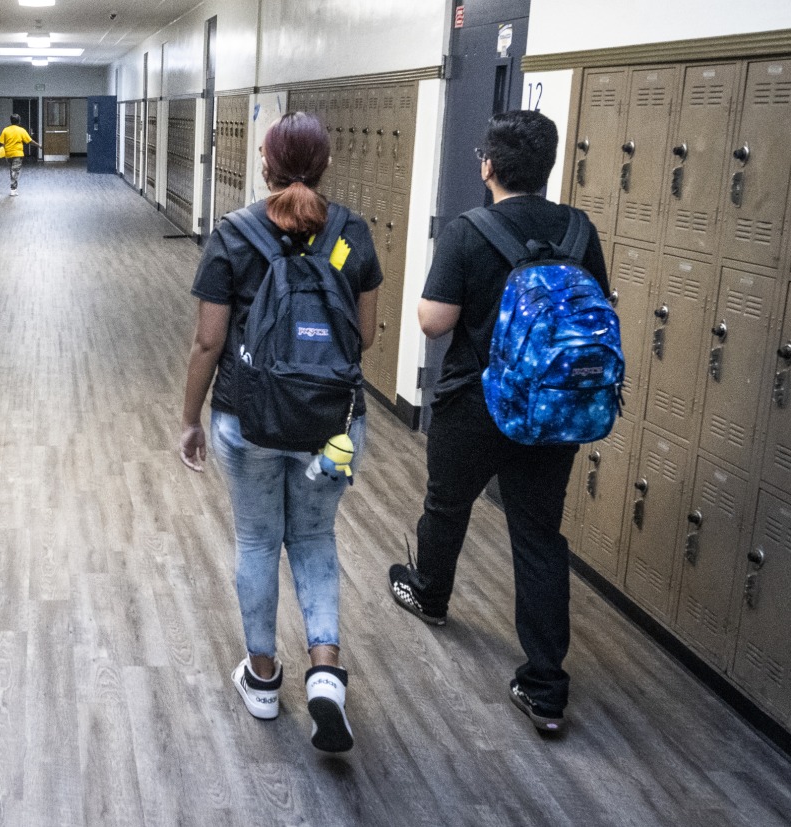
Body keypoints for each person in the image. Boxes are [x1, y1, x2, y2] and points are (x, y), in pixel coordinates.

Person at [388, 109, 609, 733]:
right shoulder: (579, 229)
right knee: (539, 537)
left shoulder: (468, 230)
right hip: (553, 409)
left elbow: (434, 322)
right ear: (548, 166)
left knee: (447, 504)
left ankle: (429, 594)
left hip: (476, 404)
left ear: (488, 165)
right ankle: (544, 686)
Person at [179, 112, 381, 753]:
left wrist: (190, 419)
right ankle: (325, 672)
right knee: (315, 539)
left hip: (249, 421)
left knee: (258, 540)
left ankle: (263, 677)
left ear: (264, 163)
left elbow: (208, 342)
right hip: (333, 425)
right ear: (326, 164)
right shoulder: (350, 234)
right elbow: (364, 336)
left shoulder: (235, 235)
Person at [0, 114, 41, 196]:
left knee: (12, 171)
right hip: (18, 154)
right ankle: (13, 190)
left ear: (11, 121)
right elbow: (30, 141)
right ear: (19, 121)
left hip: (8, 154)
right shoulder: (21, 130)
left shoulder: (6, 130)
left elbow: (0, 143)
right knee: (15, 171)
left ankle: (13, 188)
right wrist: (39, 145)